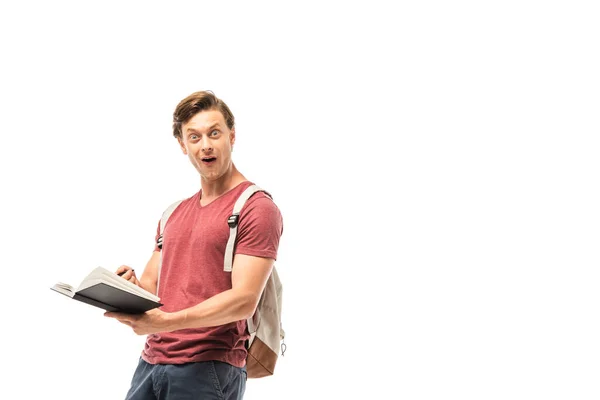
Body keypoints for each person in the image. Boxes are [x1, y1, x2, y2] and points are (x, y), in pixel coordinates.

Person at [104, 90, 284, 400]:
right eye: (195, 137)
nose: (207, 145)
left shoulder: (255, 207)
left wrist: (168, 321)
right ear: (182, 145)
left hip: (207, 368)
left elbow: (244, 300)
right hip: (151, 362)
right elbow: (152, 288)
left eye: (214, 133)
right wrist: (127, 288)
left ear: (232, 135)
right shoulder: (173, 213)